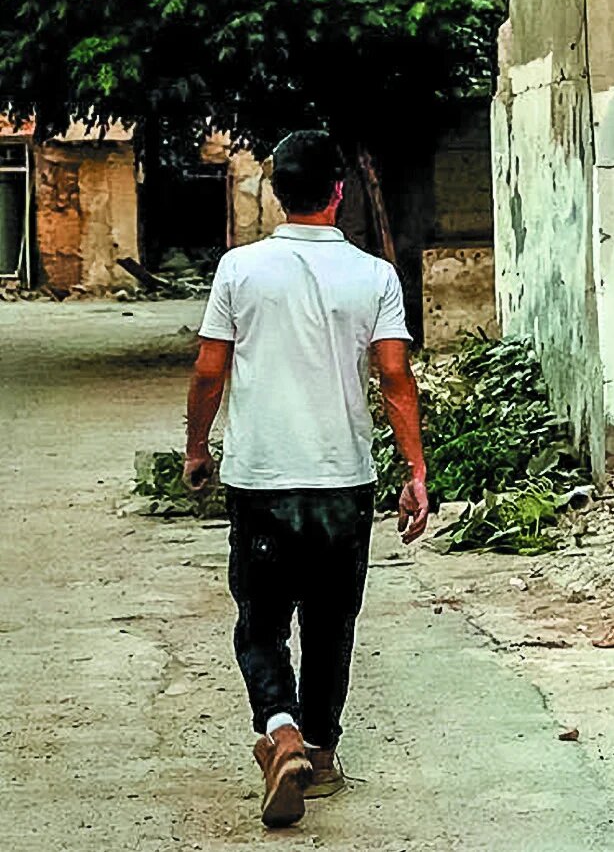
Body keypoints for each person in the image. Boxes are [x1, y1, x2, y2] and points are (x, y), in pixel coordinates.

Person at [183, 131, 429, 829]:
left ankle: (280, 729)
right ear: (339, 193)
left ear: (275, 192)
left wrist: (197, 448)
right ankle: (317, 754)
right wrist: (414, 469)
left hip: (260, 477)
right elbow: (392, 376)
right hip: (342, 481)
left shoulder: (239, 270)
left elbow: (209, 369)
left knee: (261, 622)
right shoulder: (373, 276)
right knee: (330, 622)